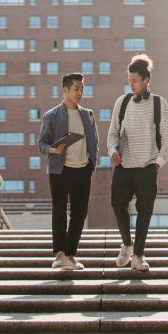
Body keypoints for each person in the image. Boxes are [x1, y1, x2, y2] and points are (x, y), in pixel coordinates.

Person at [107, 54, 168, 271]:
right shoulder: (122, 102)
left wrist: (158, 163)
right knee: (117, 203)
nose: (131, 84)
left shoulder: (159, 103)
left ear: (146, 79)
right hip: (124, 166)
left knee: (145, 210)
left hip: (147, 166)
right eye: (129, 81)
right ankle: (126, 244)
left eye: (135, 80)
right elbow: (112, 134)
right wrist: (112, 151)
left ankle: (138, 255)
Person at [38, 72, 98, 270]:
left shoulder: (88, 115)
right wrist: (52, 149)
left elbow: (94, 142)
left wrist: (91, 164)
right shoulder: (51, 115)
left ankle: (71, 254)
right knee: (59, 211)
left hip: (82, 169)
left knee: (80, 213)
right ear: (65, 90)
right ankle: (60, 254)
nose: (80, 93)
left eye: (82, 89)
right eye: (76, 89)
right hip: (59, 170)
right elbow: (42, 143)